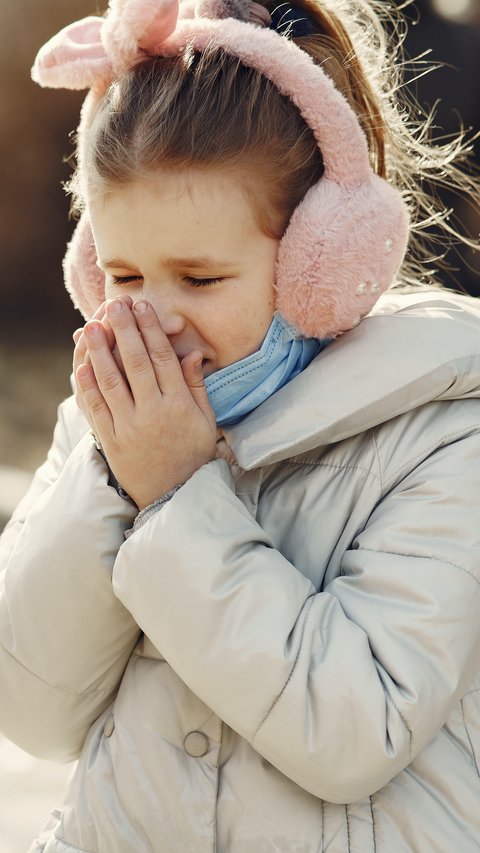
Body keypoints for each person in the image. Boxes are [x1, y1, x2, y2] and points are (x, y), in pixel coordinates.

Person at [1, 0, 480, 850]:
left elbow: (352, 730)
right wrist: (113, 481)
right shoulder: (105, 425)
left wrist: (180, 496)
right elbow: (32, 709)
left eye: (200, 276)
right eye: (124, 274)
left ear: (318, 262)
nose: (158, 319)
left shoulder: (443, 428)